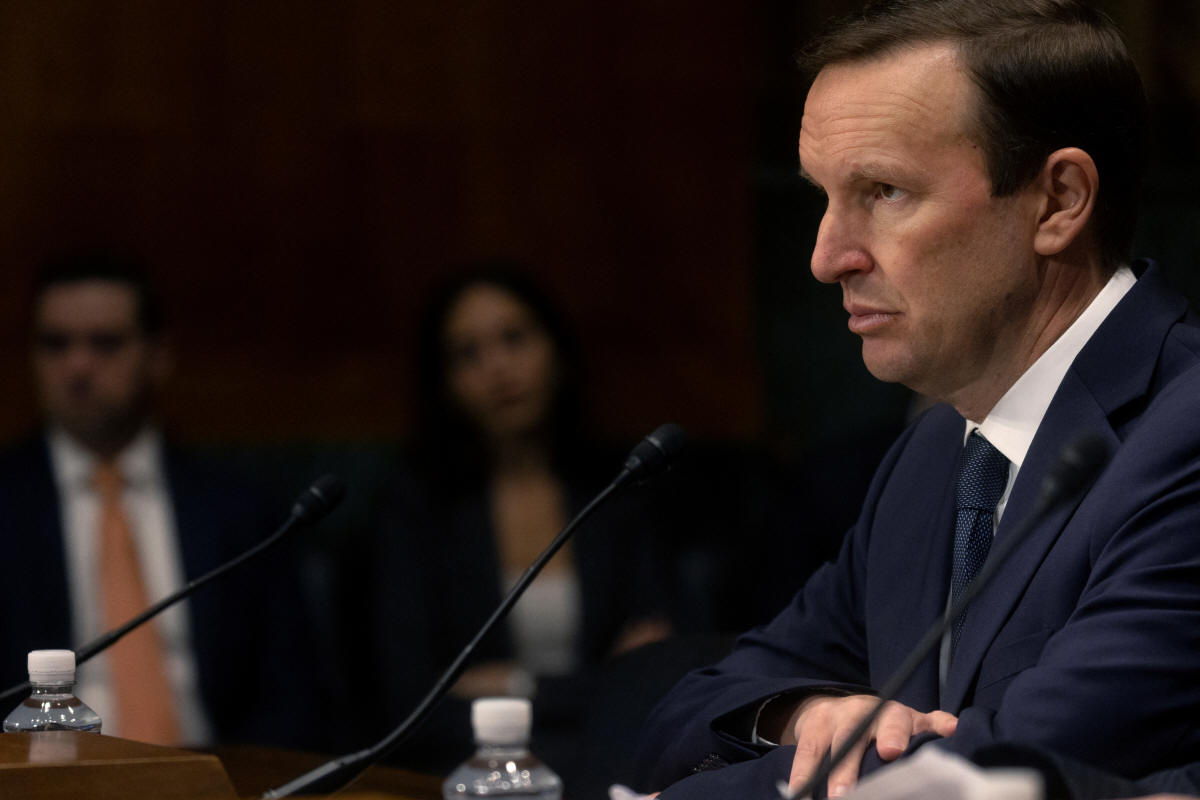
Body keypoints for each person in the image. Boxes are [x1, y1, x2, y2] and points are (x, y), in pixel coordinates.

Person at [632, 1, 1200, 798]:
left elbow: (1005, 769)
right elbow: (684, 720)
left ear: (1059, 201)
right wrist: (805, 716)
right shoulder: (935, 454)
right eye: (823, 197)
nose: (826, 257)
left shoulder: (1183, 435)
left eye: (885, 191)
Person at [0, 250, 319, 748]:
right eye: (55, 344)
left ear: (158, 355)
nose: (78, 366)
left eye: (105, 343)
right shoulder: (7, 500)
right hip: (43, 775)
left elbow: (294, 696)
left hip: (215, 772)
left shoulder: (238, 507)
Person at [366, 265, 672, 778]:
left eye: (515, 338)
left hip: (612, 761)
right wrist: (596, 686)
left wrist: (516, 686)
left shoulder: (621, 489)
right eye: (468, 354)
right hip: (467, 773)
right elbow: (412, 703)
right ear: (445, 381)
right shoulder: (416, 510)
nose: (498, 368)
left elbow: (660, 670)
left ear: (556, 349)